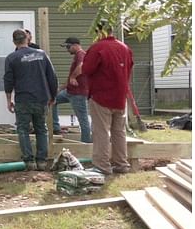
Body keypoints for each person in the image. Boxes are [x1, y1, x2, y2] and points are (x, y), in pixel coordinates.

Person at [82, 20, 134, 175]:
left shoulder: (98, 48)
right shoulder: (125, 48)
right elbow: (129, 69)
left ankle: (102, 166)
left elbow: (87, 69)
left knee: (101, 132)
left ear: (99, 32)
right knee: (119, 132)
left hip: (101, 96)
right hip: (120, 97)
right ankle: (121, 164)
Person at [3, 29, 57, 171]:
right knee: (41, 129)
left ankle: (29, 162)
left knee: (23, 129)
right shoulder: (41, 55)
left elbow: (8, 80)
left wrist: (9, 99)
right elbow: (52, 77)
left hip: (23, 99)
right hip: (41, 98)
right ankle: (42, 161)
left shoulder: (12, 58)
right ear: (27, 39)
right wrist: (52, 96)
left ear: (14, 41)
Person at [51, 37, 92, 143]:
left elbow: (81, 66)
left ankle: (86, 142)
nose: (67, 49)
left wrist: (73, 77)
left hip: (78, 93)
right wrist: (60, 88)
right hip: (69, 91)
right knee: (52, 100)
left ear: (75, 45)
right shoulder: (77, 56)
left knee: (82, 119)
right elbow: (71, 78)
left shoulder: (81, 54)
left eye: (68, 47)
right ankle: (56, 127)